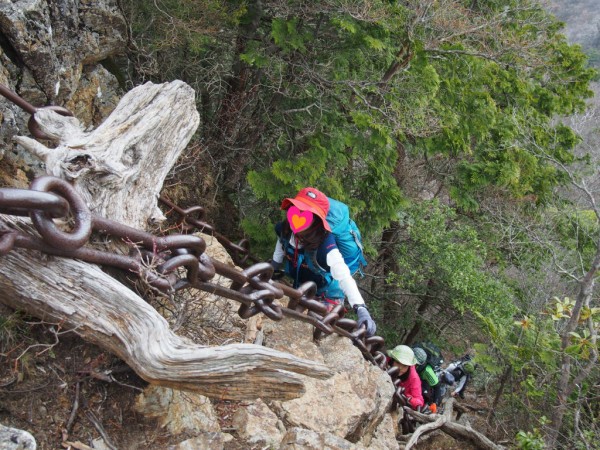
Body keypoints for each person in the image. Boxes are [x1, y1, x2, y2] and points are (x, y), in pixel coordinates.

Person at [270, 187, 377, 336]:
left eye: (307, 213)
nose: (299, 215)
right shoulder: (286, 227)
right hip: (302, 285)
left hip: (327, 293)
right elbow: (281, 244)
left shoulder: (325, 244)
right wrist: (274, 265)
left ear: (316, 220)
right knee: (290, 325)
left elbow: (343, 273)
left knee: (320, 333)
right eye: (296, 209)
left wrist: (360, 308)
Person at [387, 345, 424, 410]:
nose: (400, 368)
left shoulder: (414, 378)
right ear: (393, 359)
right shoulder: (387, 360)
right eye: (398, 362)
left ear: (409, 366)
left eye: (404, 365)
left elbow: (419, 401)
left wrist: (407, 397)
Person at [412, 346, 443, 412]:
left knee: (424, 392)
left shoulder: (428, 371)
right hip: (417, 377)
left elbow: (437, 386)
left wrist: (435, 403)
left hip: (423, 381)